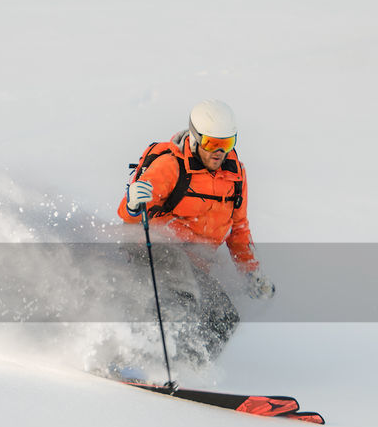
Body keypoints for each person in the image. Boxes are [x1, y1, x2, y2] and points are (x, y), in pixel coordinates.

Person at [116, 99, 274, 364]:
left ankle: (189, 369)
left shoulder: (235, 176)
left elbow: (238, 230)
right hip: (155, 247)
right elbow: (130, 219)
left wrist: (251, 272)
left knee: (224, 318)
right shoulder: (171, 165)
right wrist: (133, 204)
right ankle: (138, 357)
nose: (219, 152)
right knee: (183, 297)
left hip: (195, 263)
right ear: (196, 138)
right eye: (213, 143)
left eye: (228, 143)